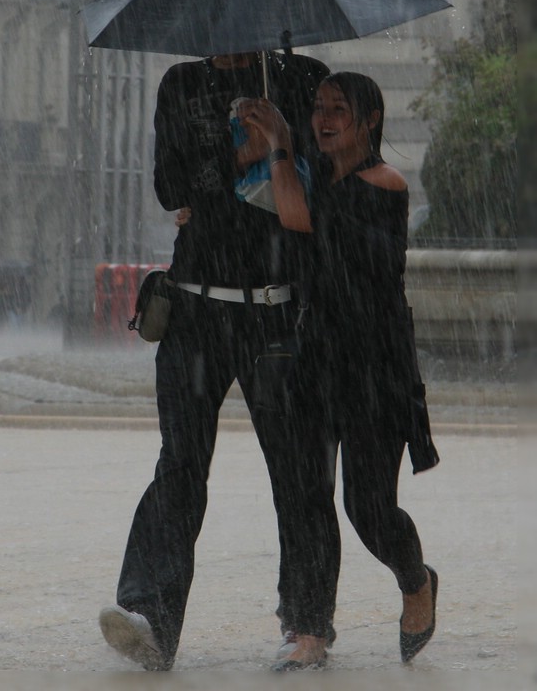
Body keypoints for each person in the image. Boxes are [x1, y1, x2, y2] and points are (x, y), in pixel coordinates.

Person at [98, 49, 329, 671]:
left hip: (277, 309)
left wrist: (280, 144)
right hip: (195, 307)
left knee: (298, 472)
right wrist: (238, 160)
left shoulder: (302, 78)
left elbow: (324, 185)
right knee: (179, 465)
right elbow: (170, 187)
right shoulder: (182, 84)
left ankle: (306, 625)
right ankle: (151, 618)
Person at [240, 71, 440, 670]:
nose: (324, 119)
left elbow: (301, 218)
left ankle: (415, 580)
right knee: (305, 496)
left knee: (369, 507)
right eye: (319, 109)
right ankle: (308, 629)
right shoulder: (310, 176)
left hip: (375, 364)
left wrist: (279, 144)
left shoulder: (386, 184)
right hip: (316, 357)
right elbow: (278, 216)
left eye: (339, 110)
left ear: (370, 119)